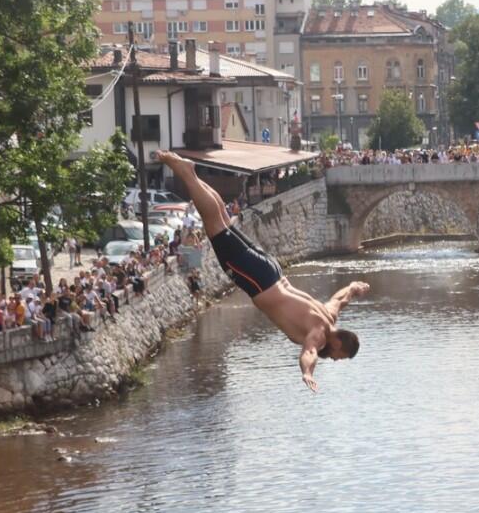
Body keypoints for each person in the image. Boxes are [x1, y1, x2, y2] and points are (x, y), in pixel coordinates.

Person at [156, 150, 367, 392]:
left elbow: (339, 299)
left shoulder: (329, 316)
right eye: (340, 356)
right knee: (215, 225)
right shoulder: (319, 335)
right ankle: (186, 173)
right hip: (258, 281)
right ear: (338, 342)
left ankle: (190, 173)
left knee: (223, 220)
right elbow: (309, 352)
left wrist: (354, 288)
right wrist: (307, 372)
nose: (336, 359)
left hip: (272, 270)